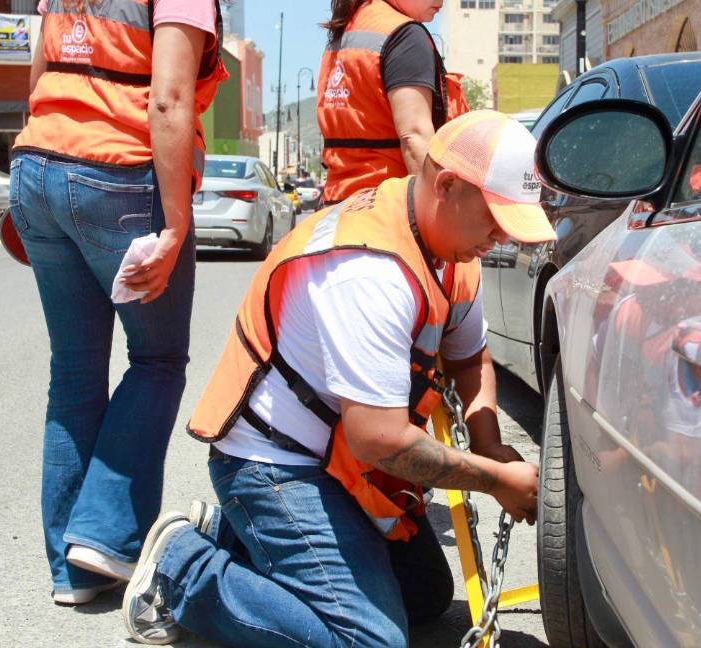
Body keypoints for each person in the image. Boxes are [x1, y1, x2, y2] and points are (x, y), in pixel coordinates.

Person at [118, 110, 553, 647]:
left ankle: (234, 539)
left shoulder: (452, 246)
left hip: (340, 458)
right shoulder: (369, 271)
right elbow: (380, 440)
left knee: (424, 597)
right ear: (447, 186)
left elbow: (469, 358)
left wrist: (490, 444)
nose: (500, 239)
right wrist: (493, 479)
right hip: (276, 465)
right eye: (495, 220)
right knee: (368, 641)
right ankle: (184, 571)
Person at [8, 0, 228, 606]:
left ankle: (71, 573)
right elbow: (167, 99)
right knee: (158, 359)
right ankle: (106, 536)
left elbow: (38, 77)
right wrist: (179, 225)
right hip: (118, 174)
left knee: (74, 369)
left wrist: (39, 187)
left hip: (36, 165)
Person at [317, 0, 469, 205]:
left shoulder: (349, 28)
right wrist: (437, 212)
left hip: (339, 204)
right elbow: (414, 136)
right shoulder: (405, 36)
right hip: (386, 209)